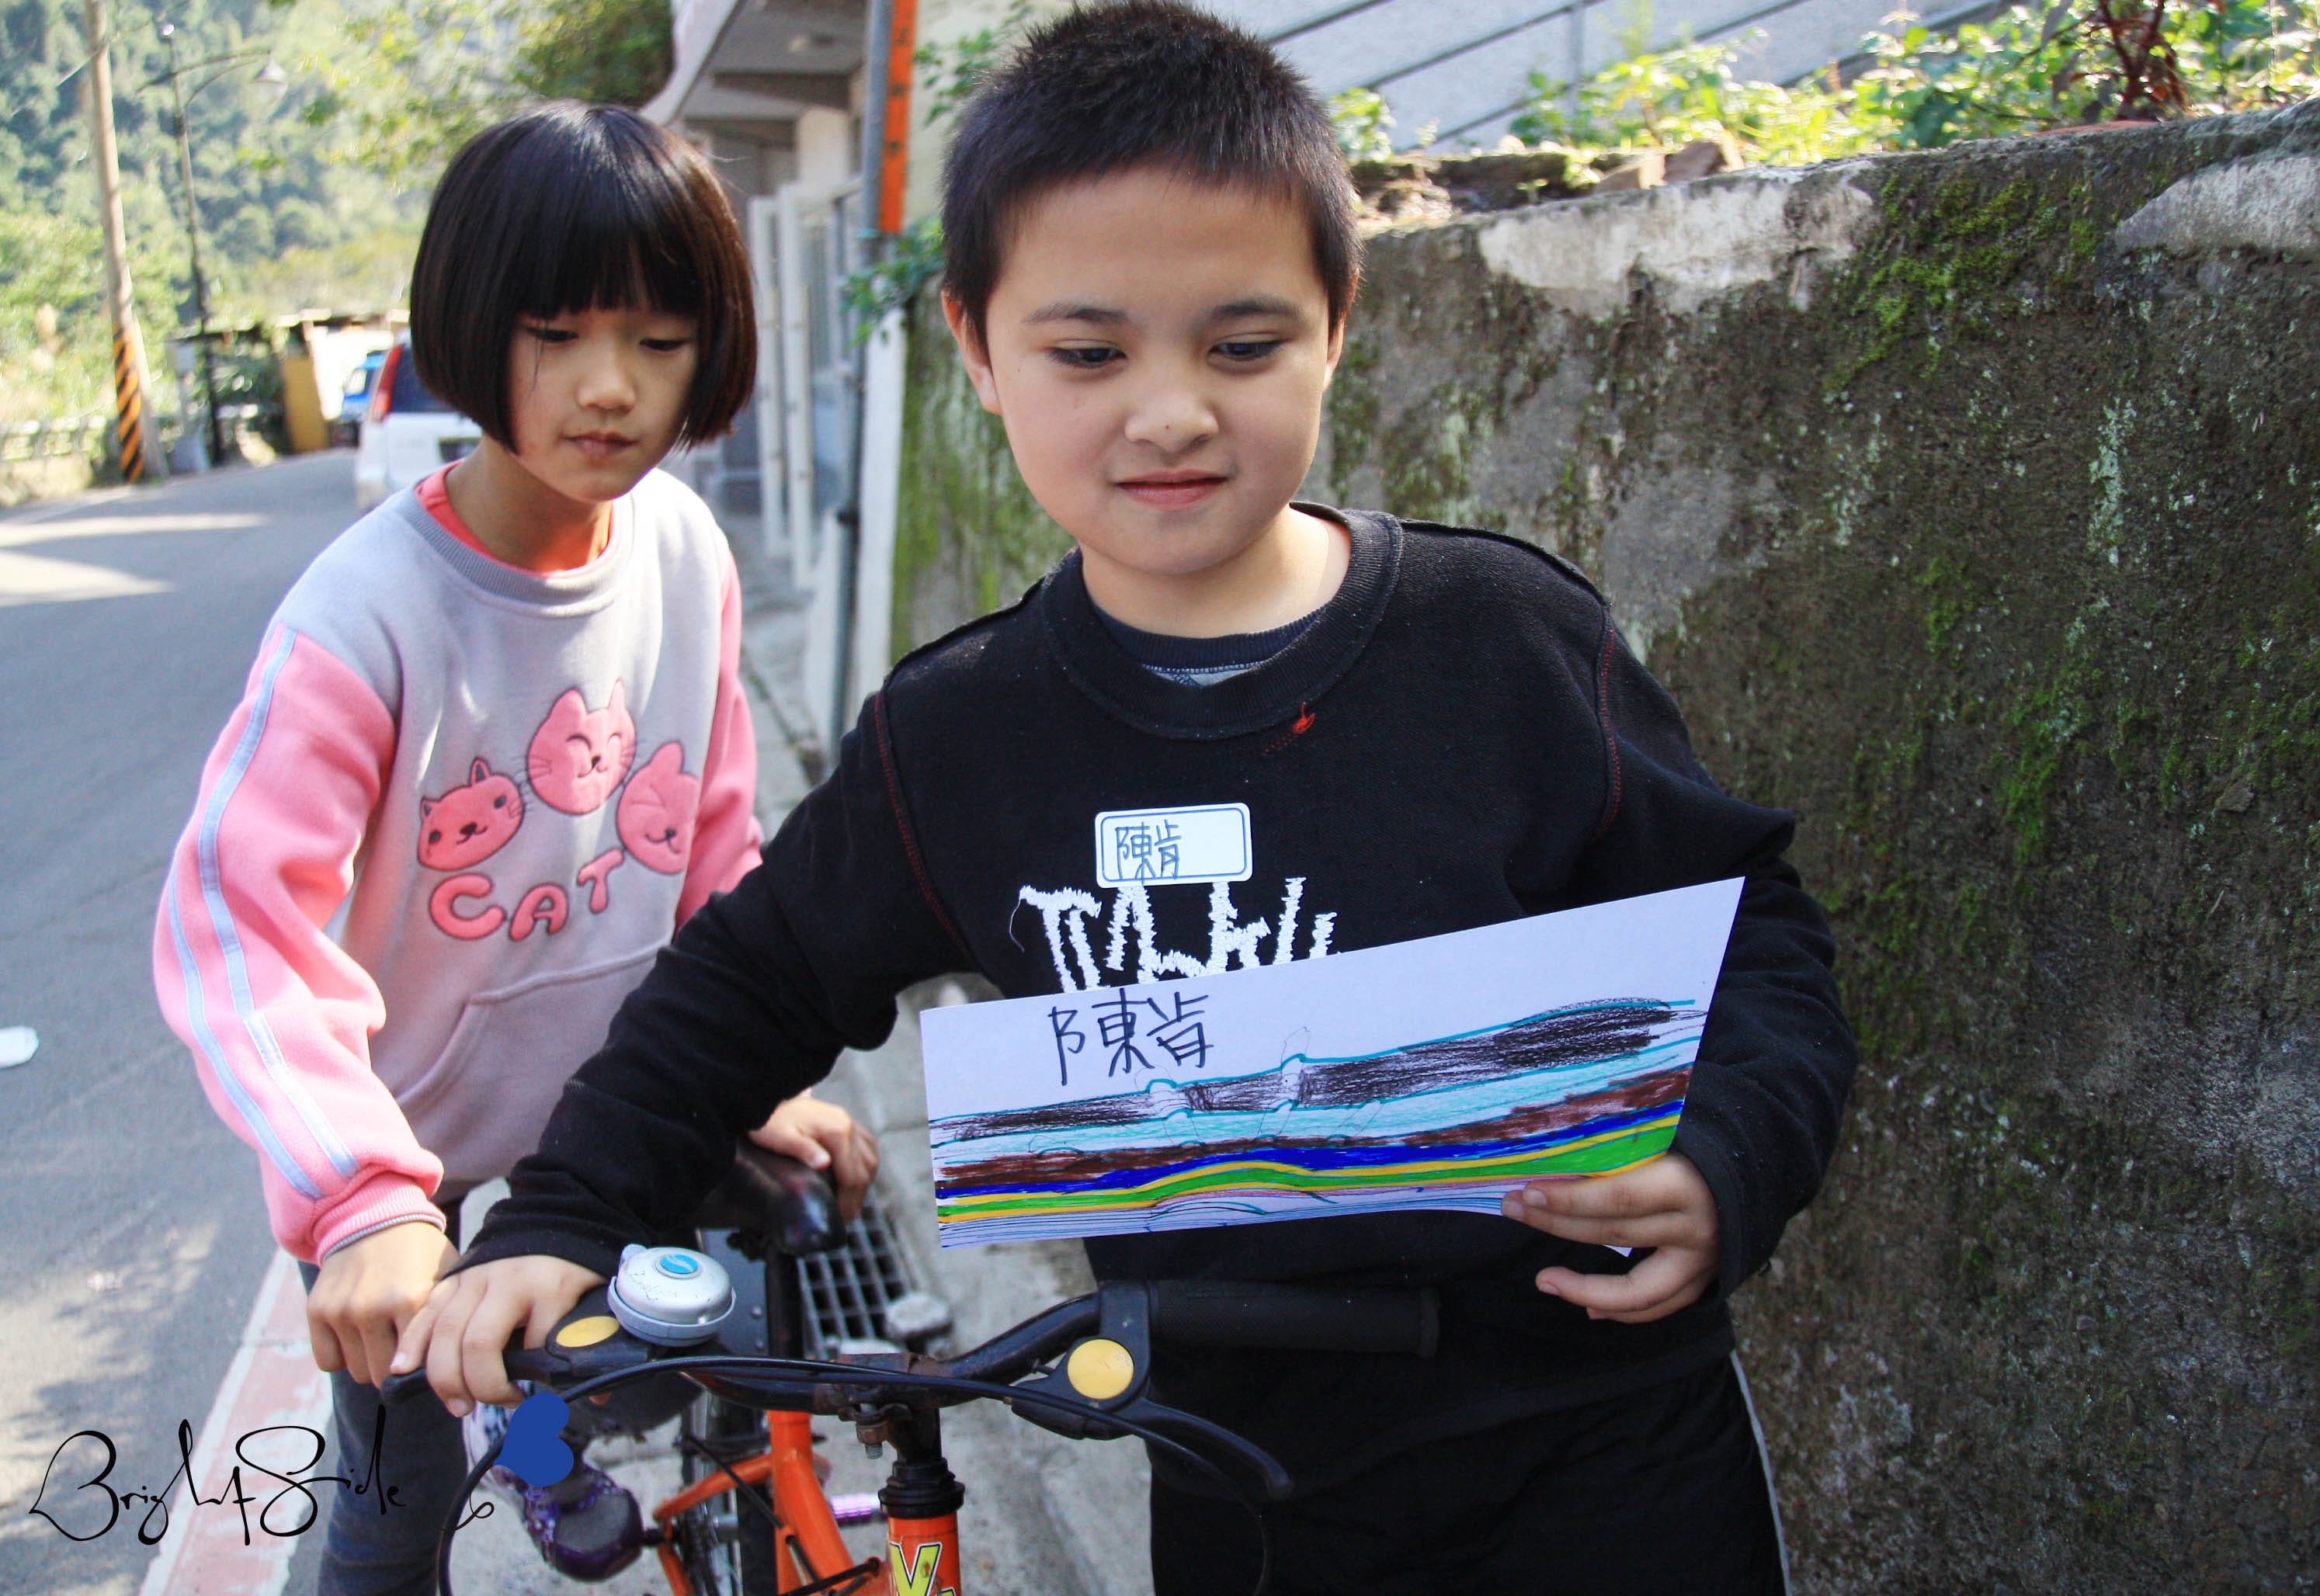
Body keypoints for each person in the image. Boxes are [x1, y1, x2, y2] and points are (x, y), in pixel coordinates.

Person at [395, 8, 1856, 1592]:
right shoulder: (959, 740)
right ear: (975, 345)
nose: (1169, 411)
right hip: (1240, 1481)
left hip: (1613, 1448)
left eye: (1242, 345)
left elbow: (1750, 935)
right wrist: (560, 1218)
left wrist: (1730, 1153)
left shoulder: (1504, 642)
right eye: (1088, 353)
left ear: (1336, 325)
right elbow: (747, 983)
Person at [152, 103, 877, 1594]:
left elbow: (714, 846)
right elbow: (236, 930)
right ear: (474, 331)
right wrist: (358, 1199)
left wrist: (755, 1067)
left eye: (659, 340)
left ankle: (545, 1446)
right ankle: (497, 1449)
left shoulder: (684, 549)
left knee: (679, 1357)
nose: (609, 387)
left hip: (617, 1107)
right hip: (400, 1148)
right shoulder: (364, 615)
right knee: (392, 1513)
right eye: (555, 335)